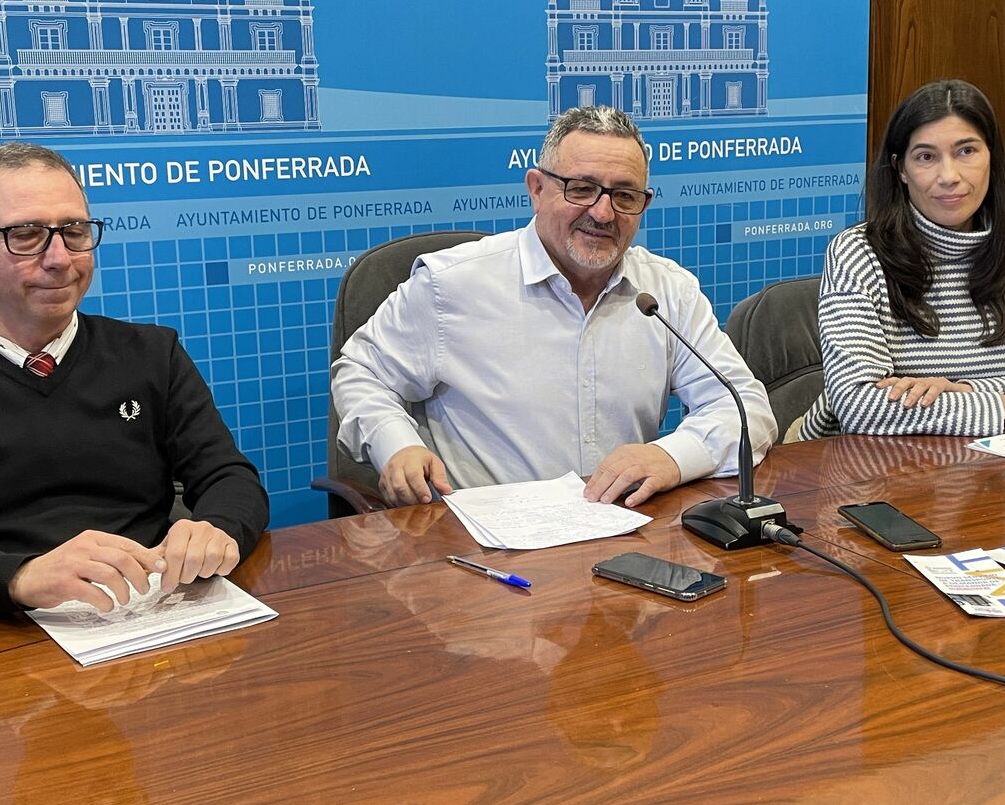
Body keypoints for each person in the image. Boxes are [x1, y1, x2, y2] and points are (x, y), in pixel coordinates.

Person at [0, 142, 268, 619]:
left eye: (74, 230)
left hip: (145, 616)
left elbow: (230, 477)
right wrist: (22, 577)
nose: (60, 258)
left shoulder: (151, 354)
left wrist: (215, 528)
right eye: (26, 235)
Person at [332, 106, 776, 508]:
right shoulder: (452, 284)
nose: (603, 214)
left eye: (624, 196)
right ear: (537, 189)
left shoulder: (664, 292)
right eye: (581, 189)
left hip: (622, 535)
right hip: (486, 547)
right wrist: (398, 446)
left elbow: (746, 410)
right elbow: (361, 373)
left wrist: (669, 456)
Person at [798, 78, 1005, 439]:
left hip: (992, 469)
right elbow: (858, 405)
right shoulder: (858, 251)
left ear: (991, 157)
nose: (949, 176)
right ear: (901, 169)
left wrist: (962, 391)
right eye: (926, 157)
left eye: (966, 151)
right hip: (870, 470)